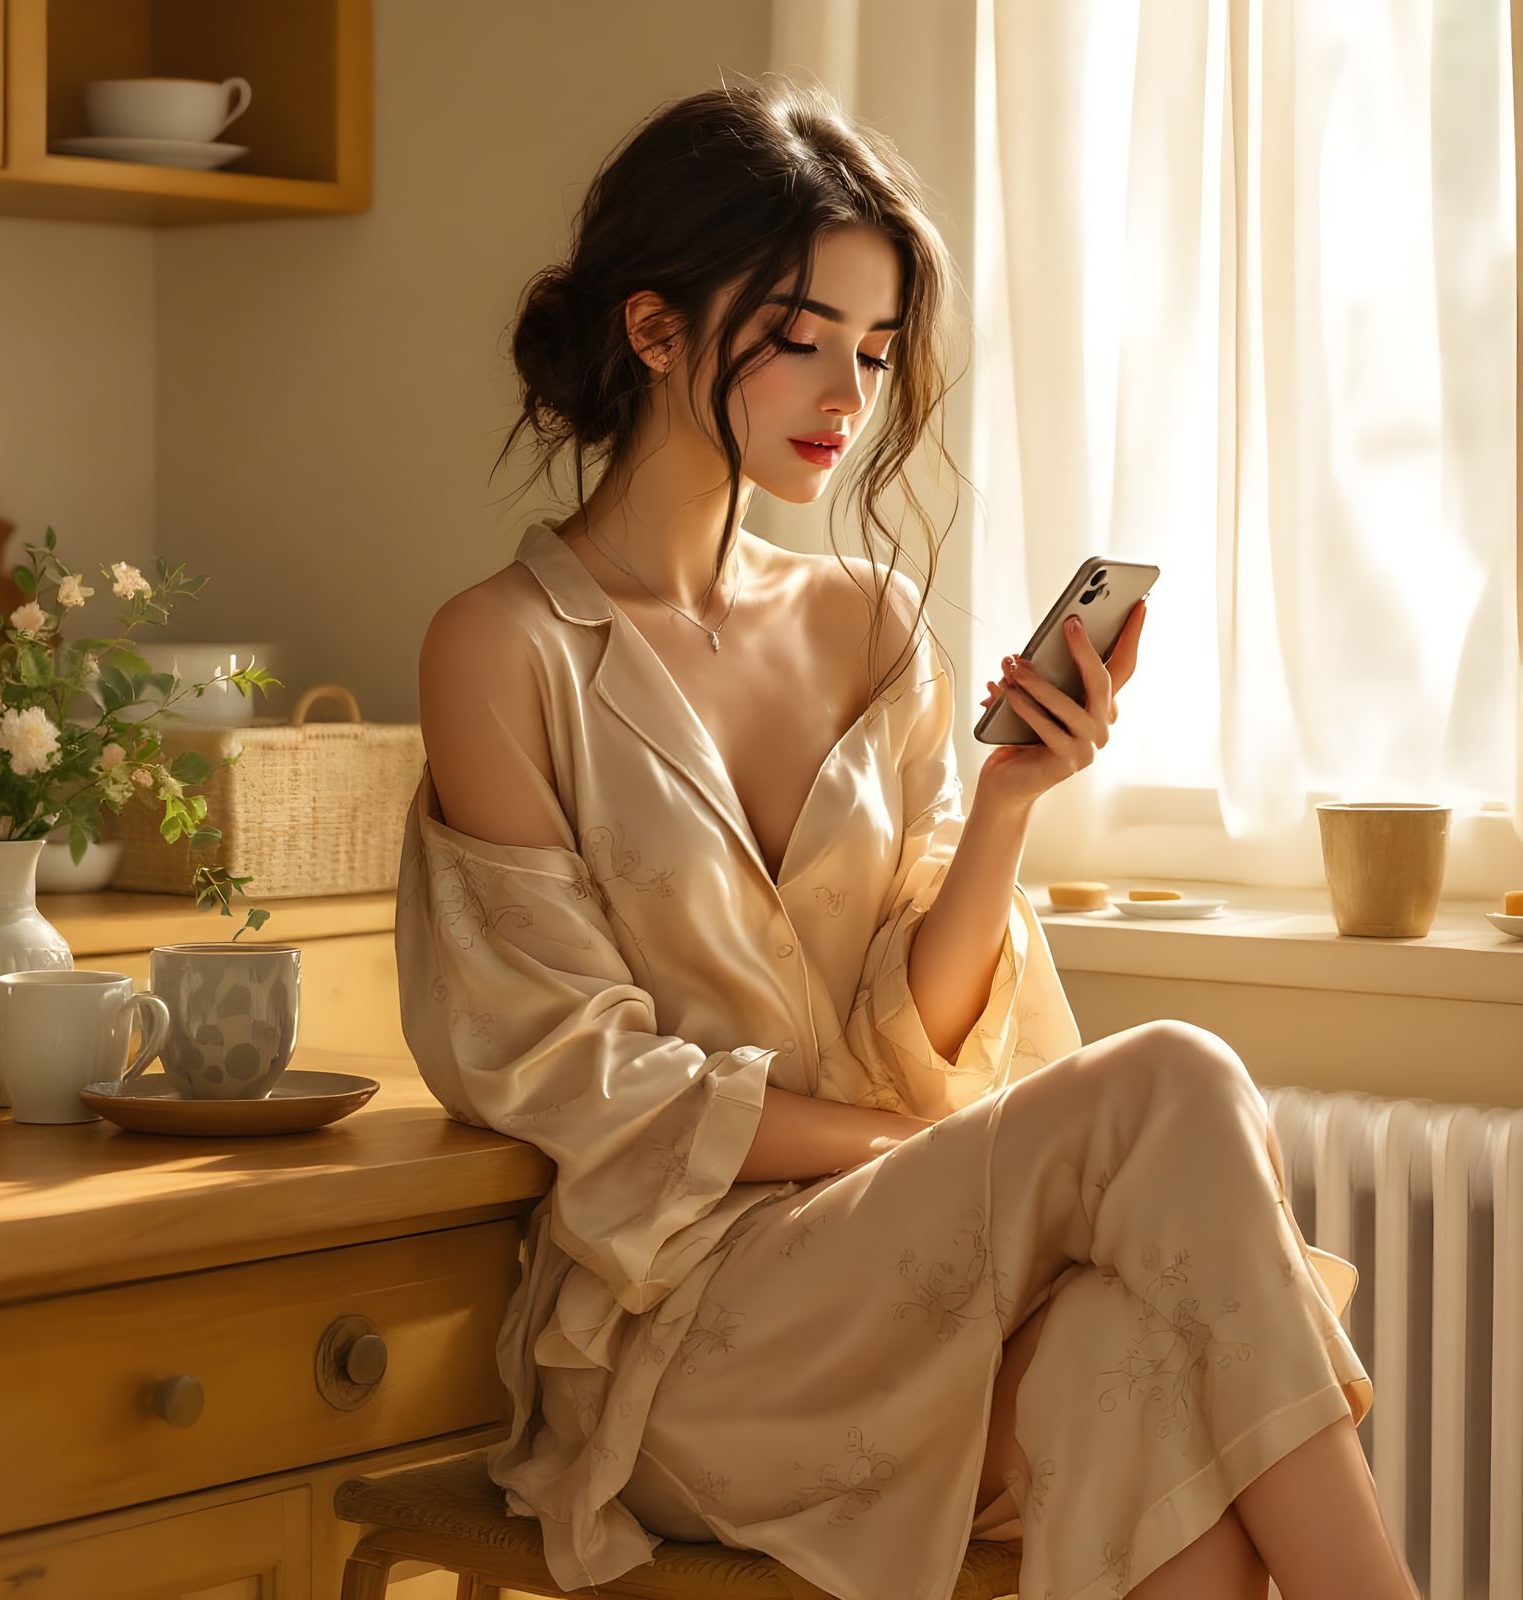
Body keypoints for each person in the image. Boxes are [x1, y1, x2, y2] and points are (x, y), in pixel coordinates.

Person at [396, 72, 1418, 1600]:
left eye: (872, 354)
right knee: (1179, 1080)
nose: (845, 396)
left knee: (1140, 1375)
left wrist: (1007, 804)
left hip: (911, 1268)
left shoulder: (869, 623)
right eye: (801, 340)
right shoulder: (502, 650)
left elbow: (919, 1029)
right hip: (686, 1337)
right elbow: (583, 1077)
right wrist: (939, 1156)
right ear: (654, 328)